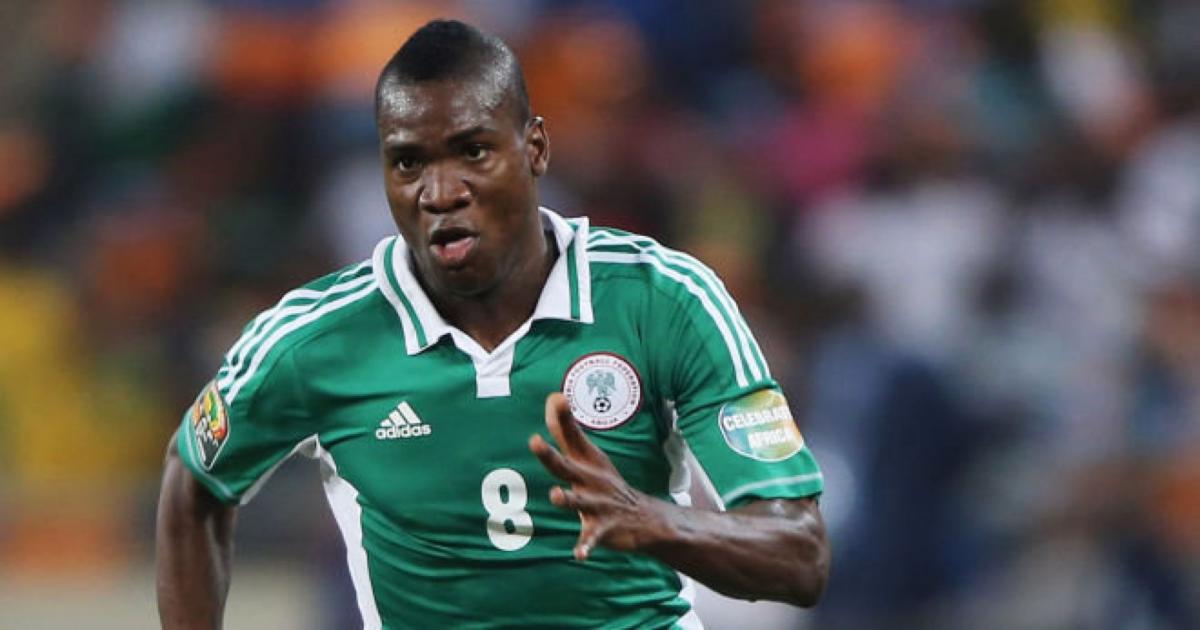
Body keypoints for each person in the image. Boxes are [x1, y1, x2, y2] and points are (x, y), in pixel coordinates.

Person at [156, 19, 829, 629]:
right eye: (408, 162)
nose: (440, 192)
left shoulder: (663, 300)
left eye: (472, 151)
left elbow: (799, 555)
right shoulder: (317, 338)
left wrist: (653, 521)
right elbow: (195, 479)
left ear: (534, 147)